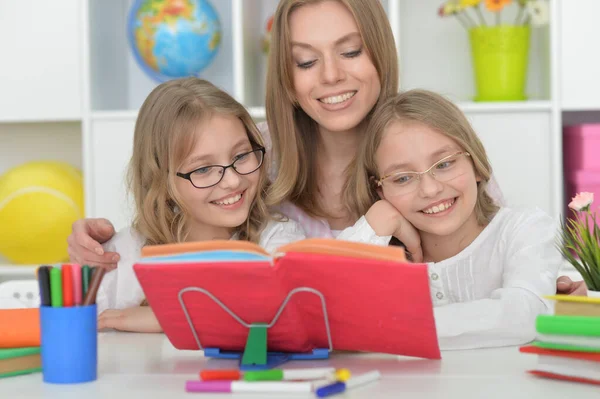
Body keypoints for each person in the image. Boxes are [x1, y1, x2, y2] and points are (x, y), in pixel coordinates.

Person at [67, 0, 585, 295]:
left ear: (379, 53)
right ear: (287, 79)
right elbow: (179, 222)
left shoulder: (429, 147)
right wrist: (100, 242)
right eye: (307, 61)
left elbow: (496, 241)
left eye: (351, 50)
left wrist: (561, 283)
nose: (332, 76)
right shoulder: (251, 159)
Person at [344, 89, 563, 349]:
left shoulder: (525, 229)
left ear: (476, 164)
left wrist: (382, 327)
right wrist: (373, 226)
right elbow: (327, 313)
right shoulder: (378, 253)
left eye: (444, 164)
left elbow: (523, 316)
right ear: (380, 190)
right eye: (403, 178)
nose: (430, 189)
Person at [96, 77, 306, 333]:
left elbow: (278, 315)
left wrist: (164, 319)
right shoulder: (121, 256)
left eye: (241, 155)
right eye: (204, 168)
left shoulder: (278, 241)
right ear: (160, 180)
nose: (232, 180)